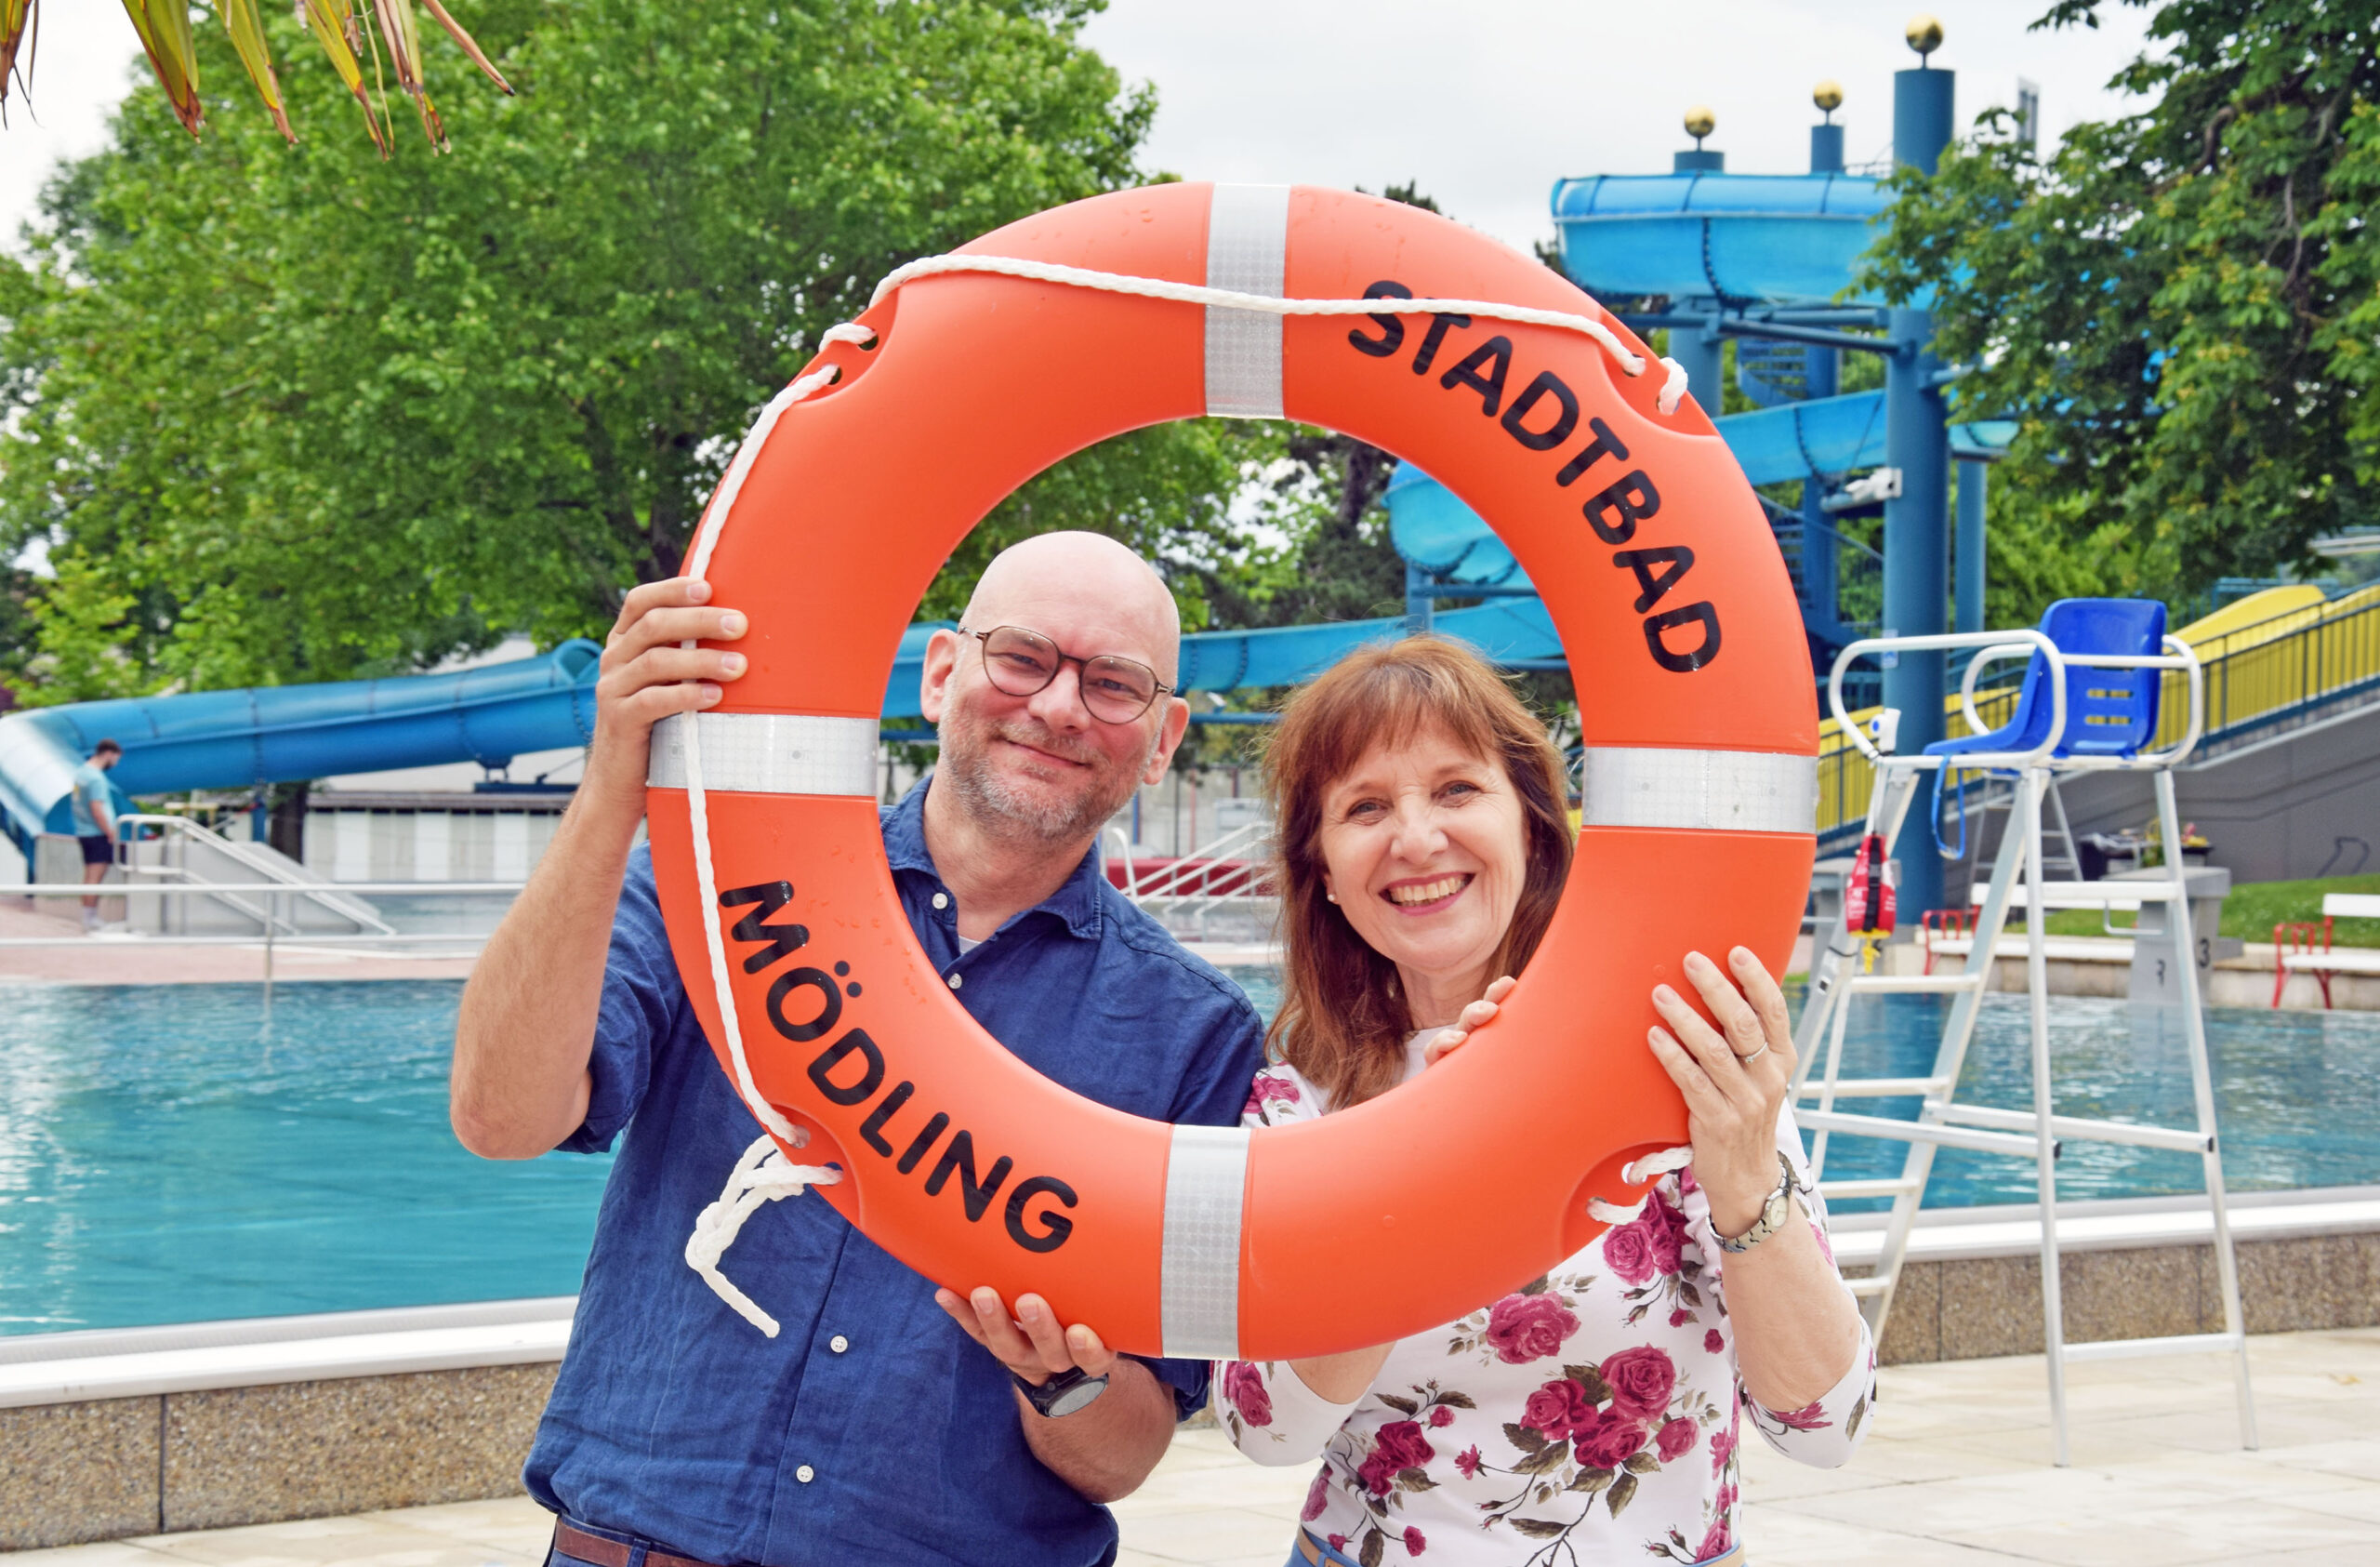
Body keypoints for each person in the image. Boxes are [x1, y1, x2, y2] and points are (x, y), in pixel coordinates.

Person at [451, 531, 1268, 1567]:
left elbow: (1125, 1455)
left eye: (1114, 683)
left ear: (1162, 739)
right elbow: (500, 1116)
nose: (1060, 706)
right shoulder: (721, 886)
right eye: (1023, 656)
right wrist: (616, 782)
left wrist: (1061, 1379)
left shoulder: (1197, 1034)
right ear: (939, 673)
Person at [1211, 639, 1873, 1567]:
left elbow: (1826, 1427)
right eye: (1365, 806)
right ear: (1320, 867)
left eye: (1454, 789)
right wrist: (1424, 1164)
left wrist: (1743, 1170)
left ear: (1530, 823)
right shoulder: (1297, 1099)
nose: (1415, 837)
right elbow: (1261, 1425)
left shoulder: (1669, 1053)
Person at [70, 739, 123, 931]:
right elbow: (97, 808)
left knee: (90, 876)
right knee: (94, 877)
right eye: (116, 758)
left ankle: (89, 917)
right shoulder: (96, 779)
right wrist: (109, 831)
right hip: (97, 833)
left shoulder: (81, 774)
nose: (115, 763)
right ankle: (90, 919)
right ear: (108, 753)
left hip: (84, 831)